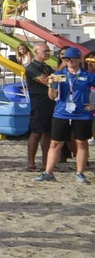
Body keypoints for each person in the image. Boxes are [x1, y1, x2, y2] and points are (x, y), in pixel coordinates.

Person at [41, 47, 94, 184]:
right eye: (65, 59)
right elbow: (52, 97)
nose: (68, 61)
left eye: (71, 59)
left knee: (81, 143)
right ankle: (48, 172)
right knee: (55, 143)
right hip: (61, 112)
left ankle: (80, 172)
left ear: (78, 59)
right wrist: (51, 86)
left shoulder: (88, 75)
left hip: (82, 114)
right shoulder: (59, 75)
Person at [23, 43, 57, 174]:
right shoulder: (32, 67)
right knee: (36, 132)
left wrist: (53, 78)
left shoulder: (47, 67)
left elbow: (56, 79)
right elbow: (45, 81)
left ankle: (45, 163)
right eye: (45, 51)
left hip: (51, 102)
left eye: (49, 51)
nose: (48, 53)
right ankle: (31, 162)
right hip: (39, 103)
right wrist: (52, 79)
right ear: (37, 52)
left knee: (48, 133)